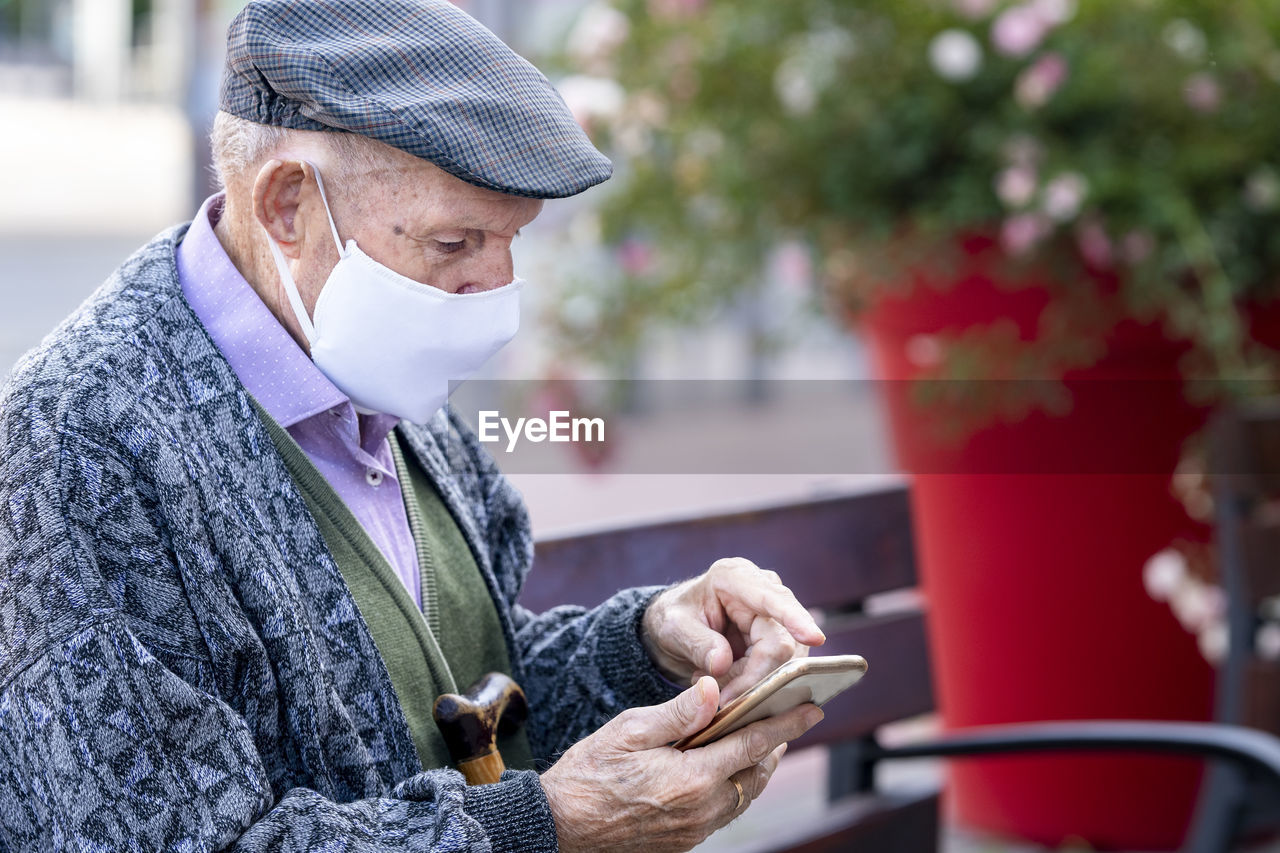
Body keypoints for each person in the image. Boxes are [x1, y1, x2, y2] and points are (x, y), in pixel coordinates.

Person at [0, 2, 827, 851]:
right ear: (288, 204)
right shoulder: (81, 442)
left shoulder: (366, 359)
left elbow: (458, 698)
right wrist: (549, 825)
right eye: (454, 241)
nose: (497, 290)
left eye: (513, 240)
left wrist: (649, 644)